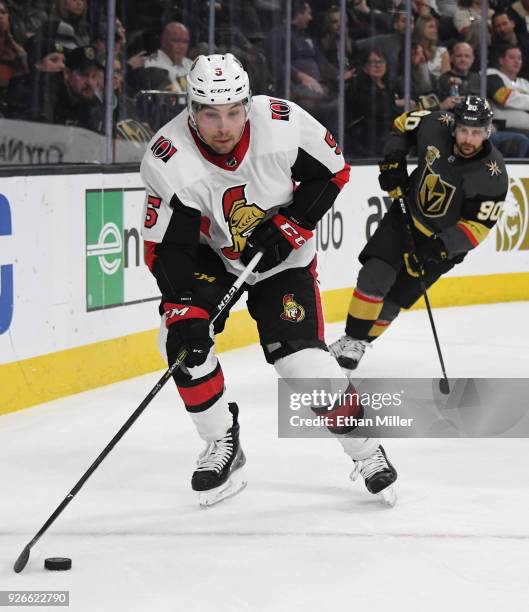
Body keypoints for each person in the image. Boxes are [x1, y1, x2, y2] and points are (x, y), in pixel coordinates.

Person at [140, 53, 398, 508]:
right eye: (210, 114)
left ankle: (366, 448)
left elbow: (333, 170)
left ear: (246, 103)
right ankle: (223, 442)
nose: (224, 126)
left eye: (234, 112)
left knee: (303, 367)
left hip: (283, 261)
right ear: (191, 109)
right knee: (180, 344)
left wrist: (292, 224)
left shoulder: (282, 122)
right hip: (211, 258)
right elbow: (170, 247)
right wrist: (184, 307)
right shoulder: (168, 157)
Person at [329, 96, 508, 371]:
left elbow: (478, 226)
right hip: (405, 217)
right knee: (375, 274)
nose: (468, 140)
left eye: (476, 133)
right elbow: (401, 126)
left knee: (394, 301)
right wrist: (394, 158)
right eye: (463, 130)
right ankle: (353, 340)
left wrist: (438, 249)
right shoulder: (435, 123)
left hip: (441, 245)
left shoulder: (492, 174)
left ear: (487, 131)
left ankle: (356, 342)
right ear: (453, 126)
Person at [145, 22, 192, 94]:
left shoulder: (191, 65)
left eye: (185, 42)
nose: (181, 46)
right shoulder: (152, 64)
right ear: (164, 42)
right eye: (176, 41)